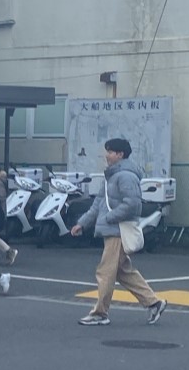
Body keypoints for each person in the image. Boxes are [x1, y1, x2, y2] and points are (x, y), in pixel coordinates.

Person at [71, 137, 168, 326]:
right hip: (113, 229)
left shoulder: (125, 176)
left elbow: (132, 204)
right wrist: (82, 223)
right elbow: (98, 202)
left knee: (105, 272)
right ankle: (154, 303)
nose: (106, 155)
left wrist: (109, 218)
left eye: (110, 151)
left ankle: (100, 313)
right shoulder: (112, 176)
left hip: (116, 230)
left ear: (120, 154)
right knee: (123, 272)